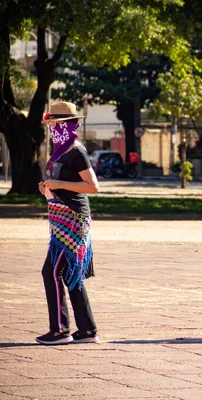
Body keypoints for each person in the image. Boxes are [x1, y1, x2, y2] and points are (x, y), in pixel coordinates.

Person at [36, 101, 100, 345]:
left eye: (54, 123)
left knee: (53, 270)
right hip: (61, 218)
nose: (51, 127)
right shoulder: (59, 150)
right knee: (68, 272)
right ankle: (86, 330)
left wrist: (59, 185)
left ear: (67, 124)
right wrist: (47, 186)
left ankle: (60, 330)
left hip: (74, 220)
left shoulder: (76, 151)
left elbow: (93, 186)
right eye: (50, 123)